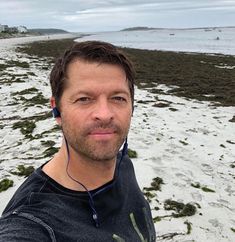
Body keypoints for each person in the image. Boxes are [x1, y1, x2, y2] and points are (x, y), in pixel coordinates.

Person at [0, 41, 156, 241]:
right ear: (57, 110)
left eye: (118, 98)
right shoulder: (33, 222)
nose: (104, 114)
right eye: (84, 99)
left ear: (132, 107)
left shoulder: (123, 164)